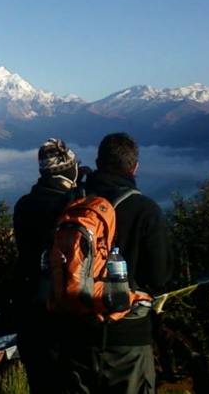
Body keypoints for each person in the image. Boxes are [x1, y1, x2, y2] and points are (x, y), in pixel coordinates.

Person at [58, 132, 173, 394]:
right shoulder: (145, 210)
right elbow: (159, 277)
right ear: (134, 167)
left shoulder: (71, 204)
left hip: (75, 331)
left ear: (98, 163)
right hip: (128, 338)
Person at [13, 138, 83, 394]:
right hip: (65, 307)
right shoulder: (72, 207)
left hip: (30, 309)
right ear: (68, 169)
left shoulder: (24, 205)